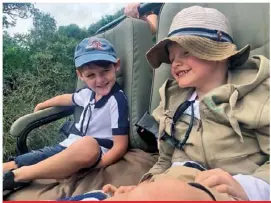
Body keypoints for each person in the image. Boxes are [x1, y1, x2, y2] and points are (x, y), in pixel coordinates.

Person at [62, 5, 270, 201]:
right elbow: (164, 160)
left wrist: (249, 187)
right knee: (103, 195)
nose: (176, 63)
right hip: (178, 180)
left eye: (186, 52)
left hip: (226, 190)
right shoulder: (173, 102)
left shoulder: (256, 95)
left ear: (218, 52)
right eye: (172, 58)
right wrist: (144, 185)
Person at [3, 37, 129, 193]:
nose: (100, 80)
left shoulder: (117, 100)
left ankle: (17, 177)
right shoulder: (86, 94)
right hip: (67, 146)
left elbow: (120, 145)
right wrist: (43, 104)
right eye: (91, 75)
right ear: (80, 75)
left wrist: (100, 165)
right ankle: (9, 173)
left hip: (95, 151)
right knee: (26, 159)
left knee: (87, 144)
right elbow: (65, 98)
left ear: (116, 66)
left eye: (105, 71)